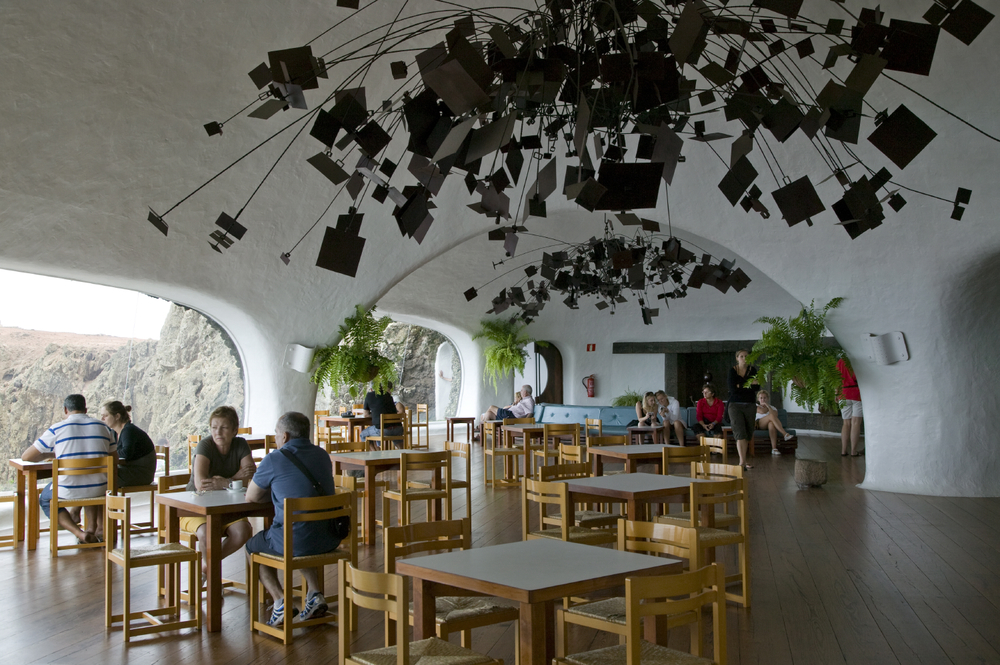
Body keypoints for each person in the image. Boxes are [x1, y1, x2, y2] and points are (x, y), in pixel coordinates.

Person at [245, 411, 344, 627]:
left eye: (277, 435)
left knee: (254, 546)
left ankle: (280, 601)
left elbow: (251, 496)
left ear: (286, 436)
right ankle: (315, 593)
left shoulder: (274, 459)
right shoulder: (322, 455)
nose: (276, 439)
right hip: (329, 537)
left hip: (297, 540)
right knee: (299, 532)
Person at [22, 394, 115, 544]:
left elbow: (26, 456)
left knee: (45, 499)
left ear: (65, 409)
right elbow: (114, 458)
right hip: (101, 488)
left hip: (70, 490)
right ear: (86, 409)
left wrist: (55, 454)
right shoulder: (104, 427)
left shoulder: (57, 428)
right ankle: (91, 529)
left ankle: (80, 533)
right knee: (90, 482)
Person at [185, 405, 255, 575]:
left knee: (243, 531)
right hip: (195, 507)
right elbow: (201, 484)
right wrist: (235, 479)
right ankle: (213, 579)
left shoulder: (240, 444)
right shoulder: (205, 445)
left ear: (234, 430)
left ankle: (207, 567)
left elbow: (252, 474)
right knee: (207, 533)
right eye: (214, 428)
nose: (218, 432)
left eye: (224, 428)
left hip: (226, 507)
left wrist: (224, 482)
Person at [100, 400, 156, 487]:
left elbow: (126, 454)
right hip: (129, 469)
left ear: (117, 416)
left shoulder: (129, 431)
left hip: (141, 474)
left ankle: (106, 500)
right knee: (101, 473)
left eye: (105, 416)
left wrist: (108, 454)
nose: (102, 419)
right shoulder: (114, 432)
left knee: (102, 475)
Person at [727, 349, 760, 470]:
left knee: (747, 432)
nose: (744, 358)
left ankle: (744, 461)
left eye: (746, 356)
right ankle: (741, 462)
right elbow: (732, 389)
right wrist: (749, 384)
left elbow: (757, 387)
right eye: (741, 356)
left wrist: (740, 385)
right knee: (739, 432)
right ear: (737, 358)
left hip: (750, 404)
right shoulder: (733, 371)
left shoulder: (753, 370)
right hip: (735, 405)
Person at [359, 381, 405, 447]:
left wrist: (375, 415)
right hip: (398, 429)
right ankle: (403, 454)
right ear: (381, 387)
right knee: (394, 437)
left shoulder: (369, 395)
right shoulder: (388, 395)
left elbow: (366, 415)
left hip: (383, 430)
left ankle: (375, 454)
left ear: (371, 389)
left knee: (363, 434)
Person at [838, 357, 864, 457]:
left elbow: (836, 379)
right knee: (856, 423)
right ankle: (853, 451)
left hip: (843, 394)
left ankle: (843, 451)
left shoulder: (840, 361)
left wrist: (836, 394)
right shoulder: (857, 359)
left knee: (846, 423)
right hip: (856, 394)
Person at [756, 390, 794, 455]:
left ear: (768, 398)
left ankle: (774, 448)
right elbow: (762, 411)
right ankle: (785, 434)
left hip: (768, 424)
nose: (763, 400)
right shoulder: (756, 406)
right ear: (758, 399)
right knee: (771, 416)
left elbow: (775, 416)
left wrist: (768, 406)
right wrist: (767, 408)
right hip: (759, 423)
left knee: (771, 424)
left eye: (765, 398)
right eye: (761, 398)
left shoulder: (773, 408)